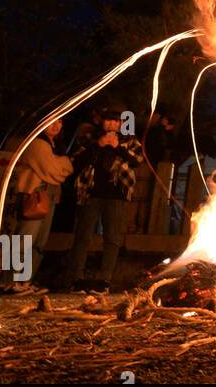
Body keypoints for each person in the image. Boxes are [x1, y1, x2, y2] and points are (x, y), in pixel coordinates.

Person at [58, 108, 144, 292]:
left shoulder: (129, 140)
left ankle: (105, 279)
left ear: (121, 123)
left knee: (112, 238)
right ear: (101, 121)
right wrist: (98, 144)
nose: (112, 124)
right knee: (83, 236)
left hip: (116, 195)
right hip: (90, 193)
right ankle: (76, 278)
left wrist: (117, 148)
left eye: (116, 121)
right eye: (108, 121)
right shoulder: (90, 138)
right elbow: (76, 161)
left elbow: (137, 161)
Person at [10, 117, 74, 292]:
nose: (56, 125)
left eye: (60, 122)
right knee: (25, 238)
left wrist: (59, 166)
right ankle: (16, 279)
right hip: (34, 193)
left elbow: (68, 168)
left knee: (39, 242)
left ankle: (26, 281)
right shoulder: (37, 143)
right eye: (52, 121)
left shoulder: (55, 145)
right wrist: (60, 166)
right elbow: (54, 170)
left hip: (50, 195)